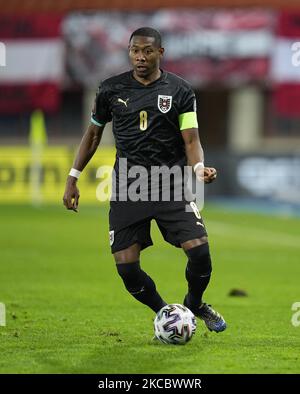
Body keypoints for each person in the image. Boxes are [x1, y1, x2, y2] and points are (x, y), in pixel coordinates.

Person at [63, 27, 226, 333]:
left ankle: (193, 304)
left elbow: (191, 140)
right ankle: (166, 313)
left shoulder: (180, 91)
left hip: (170, 182)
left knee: (200, 253)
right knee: (127, 268)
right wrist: (73, 177)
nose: (140, 57)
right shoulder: (110, 90)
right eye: (135, 51)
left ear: (159, 53)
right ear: (129, 52)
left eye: (147, 51)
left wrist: (199, 167)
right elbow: (93, 134)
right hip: (129, 186)